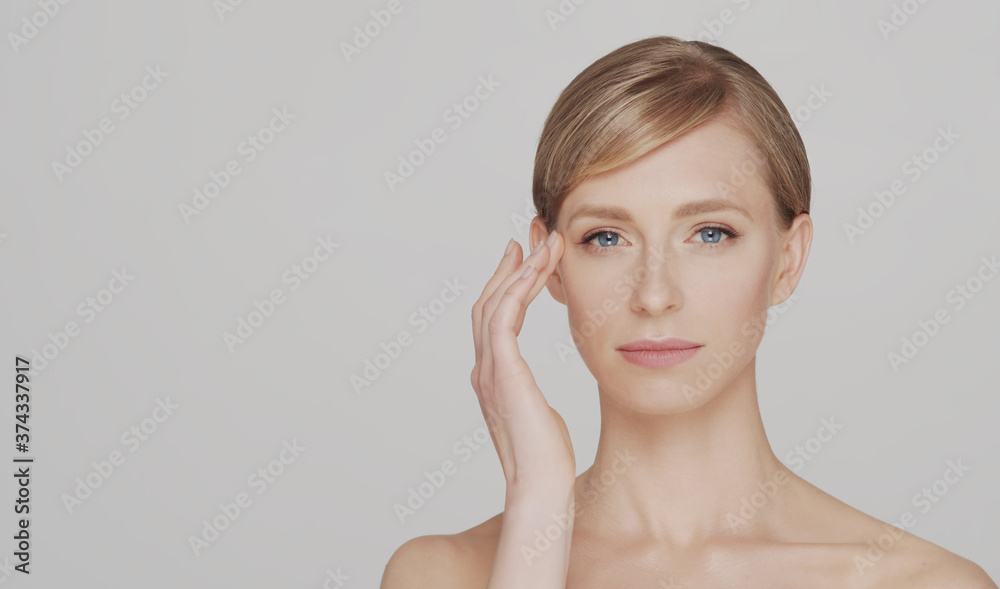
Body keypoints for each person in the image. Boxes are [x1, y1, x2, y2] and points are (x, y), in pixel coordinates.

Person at [380, 36, 997, 588]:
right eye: (606, 237)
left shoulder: (924, 583)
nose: (654, 295)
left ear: (787, 260)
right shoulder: (442, 575)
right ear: (551, 264)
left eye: (709, 234)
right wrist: (538, 501)